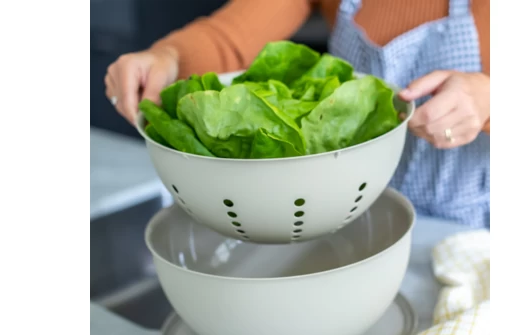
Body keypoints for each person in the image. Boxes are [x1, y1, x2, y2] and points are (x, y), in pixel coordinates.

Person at [104, 0, 490, 229]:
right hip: (344, 215)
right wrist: (168, 57)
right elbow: (230, 37)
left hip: (472, 231)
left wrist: (490, 100)